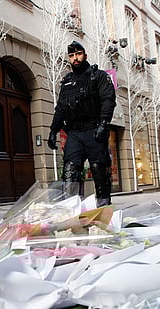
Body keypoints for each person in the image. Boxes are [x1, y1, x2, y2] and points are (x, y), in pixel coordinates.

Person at [47, 41, 116, 207]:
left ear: (85, 55)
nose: (75, 58)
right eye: (71, 55)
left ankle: (103, 208)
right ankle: (71, 210)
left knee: (99, 170)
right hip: (75, 133)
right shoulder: (67, 81)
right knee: (70, 172)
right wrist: (53, 130)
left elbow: (108, 100)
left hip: (94, 130)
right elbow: (61, 108)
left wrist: (103, 123)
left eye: (78, 54)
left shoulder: (98, 76)